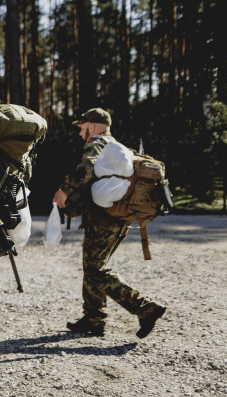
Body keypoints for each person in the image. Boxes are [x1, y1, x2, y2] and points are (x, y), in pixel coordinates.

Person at [53, 107, 166, 338]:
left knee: (96, 267)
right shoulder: (119, 149)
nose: (79, 133)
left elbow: (86, 169)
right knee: (93, 265)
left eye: (82, 127)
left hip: (104, 218)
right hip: (118, 216)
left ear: (92, 126)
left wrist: (64, 191)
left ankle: (144, 307)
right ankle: (94, 319)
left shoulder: (97, 143)